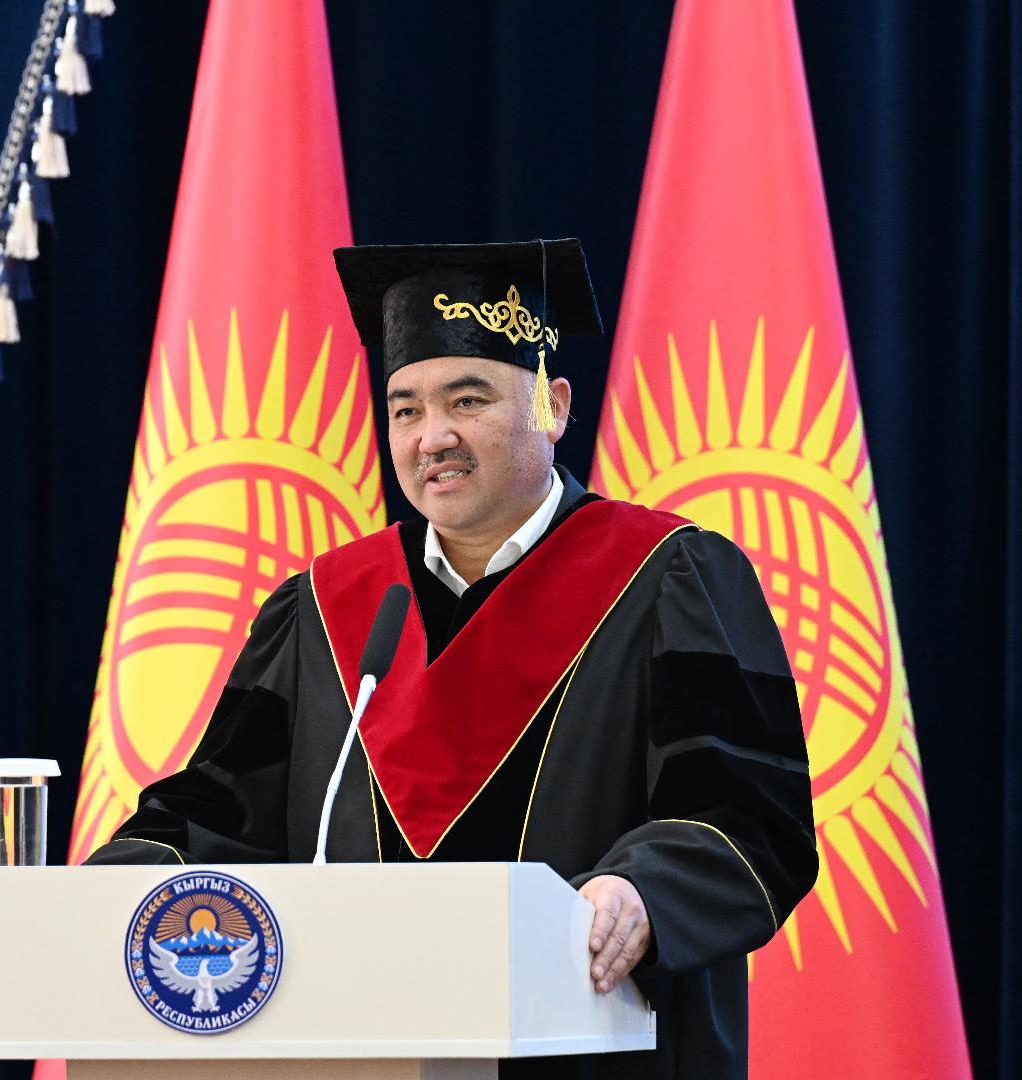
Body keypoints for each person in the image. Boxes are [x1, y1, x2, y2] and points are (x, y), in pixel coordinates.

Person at [87, 239, 818, 1079]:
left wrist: (644, 893)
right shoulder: (325, 606)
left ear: (552, 406)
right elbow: (222, 811)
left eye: (466, 400)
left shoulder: (666, 578)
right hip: (359, 1053)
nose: (431, 436)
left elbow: (747, 810)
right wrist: (104, 889)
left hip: (596, 1050)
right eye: (404, 410)